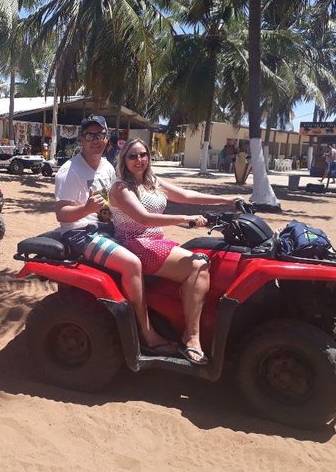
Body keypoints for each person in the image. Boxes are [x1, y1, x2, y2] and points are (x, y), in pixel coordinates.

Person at [108, 138, 242, 364]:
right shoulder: (121, 188)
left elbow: (186, 196)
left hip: (156, 240)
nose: (139, 160)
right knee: (198, 265)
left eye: (143, 154)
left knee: (206, 255)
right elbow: (145, 218)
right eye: (132, 156)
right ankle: (191, 338)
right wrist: (186, 218)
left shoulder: (152, 181)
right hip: (135, 243)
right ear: (124, 160)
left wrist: (229, 201)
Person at [55, 115, 175, 356]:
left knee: (149, 247)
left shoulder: (107, 166)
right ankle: (146, 333)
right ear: (81, 139)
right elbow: (62, 214)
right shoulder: (70, 171)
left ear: (107, 137)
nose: (96, 140)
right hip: (81, 233)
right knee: (132, 263)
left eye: (100, 135)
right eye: (90, 135)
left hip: (106, 228)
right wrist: (86, 209)